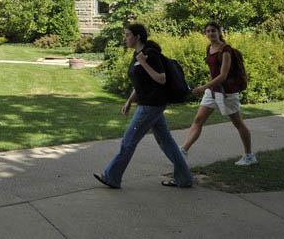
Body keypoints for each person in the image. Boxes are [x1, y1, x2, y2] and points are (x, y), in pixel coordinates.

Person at [93, 24, 192, 189]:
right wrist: (129, 101)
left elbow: (161, 78)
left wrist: (144, 63)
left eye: (127, 35)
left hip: (151, 105)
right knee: (166, 142)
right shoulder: (137, 55)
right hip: (149, 104)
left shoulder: (150, 54)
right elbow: (140, 83)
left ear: (137, 36)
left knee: (128, 140)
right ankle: (185, 178)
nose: (125, 38)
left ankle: (112, 177)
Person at [180, 21, 257, 166]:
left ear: (219, 32)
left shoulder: (225, 50)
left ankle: (249, 156)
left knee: (238, 124)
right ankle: (183, 150)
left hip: (226, 93)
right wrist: (208, 88)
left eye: (213, 30)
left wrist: (203, 87)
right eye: (208, 31)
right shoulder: (209, 48)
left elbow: (223, 76)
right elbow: (214, 73)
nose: (210, 33)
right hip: (212, 91)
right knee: (198, 120)